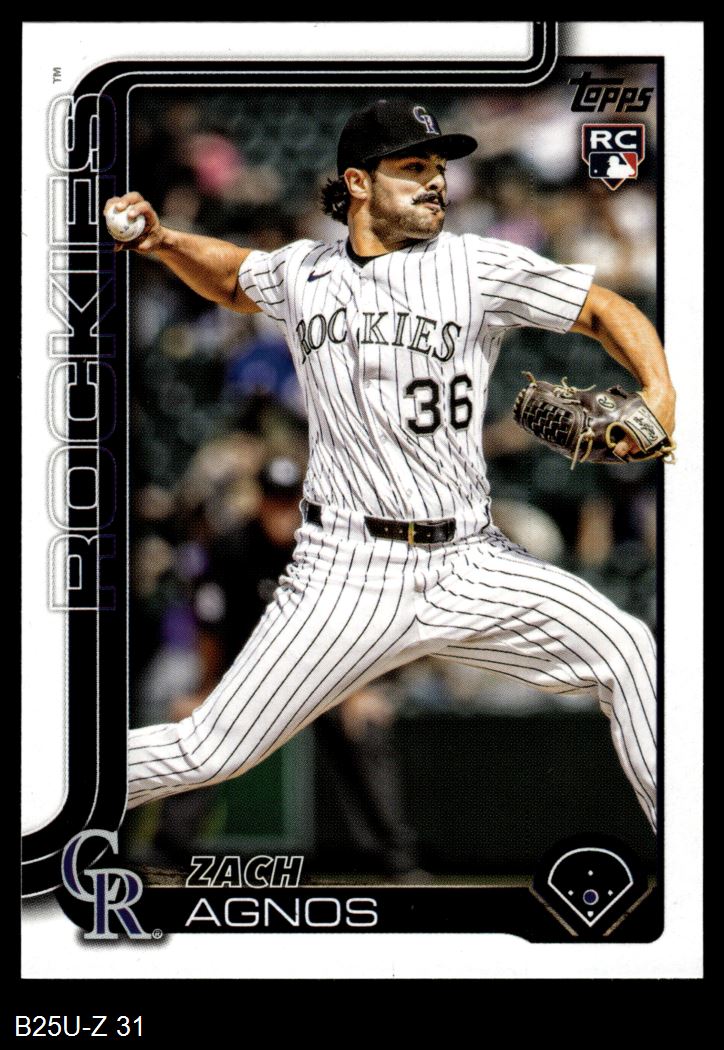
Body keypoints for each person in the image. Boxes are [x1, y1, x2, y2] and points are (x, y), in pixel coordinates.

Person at [111, 98, 675, 833]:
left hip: (470, 560)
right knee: (210, 750)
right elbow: (231, 279)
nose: (435, 181)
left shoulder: (475, 265)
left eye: (438, 167)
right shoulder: (304, 271)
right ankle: (54, 790)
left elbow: (603, 309)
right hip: (346, 569)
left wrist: (659, 390)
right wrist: (162, 241)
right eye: (413, 167)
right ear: (358, 182)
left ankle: (686, 853)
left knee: (627, 650)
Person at [154, 457, 421, 877]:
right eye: (273, 501)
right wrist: (206, 690)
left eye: (288, 501)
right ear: (260, 501)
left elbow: (351, 625)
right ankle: (169, 851)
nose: (280, 512)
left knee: (364, 726)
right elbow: (212, 627)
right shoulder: (231, 548)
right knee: (203, 726)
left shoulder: (325, 550)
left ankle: (394, 855)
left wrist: (357, 691)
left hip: (321, 677)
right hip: (247, 677)